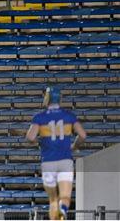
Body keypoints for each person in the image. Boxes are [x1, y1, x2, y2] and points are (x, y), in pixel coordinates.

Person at [26, 87, 87, 220]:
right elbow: (82, 135)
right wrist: (74, 146)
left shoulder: (39, 117)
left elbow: (30, 137)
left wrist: (38, 141)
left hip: (48, 161)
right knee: (65, 196)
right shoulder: (69, 116)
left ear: (46, 98)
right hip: (65, 160)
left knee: (53, 199)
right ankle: (63, 210)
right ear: (60, 98)